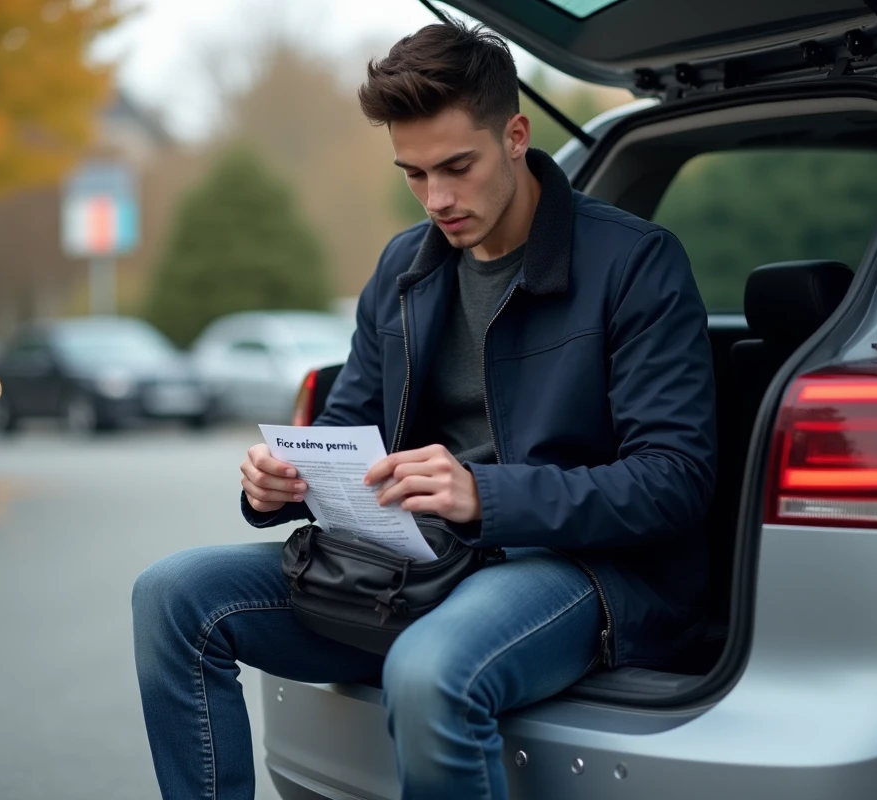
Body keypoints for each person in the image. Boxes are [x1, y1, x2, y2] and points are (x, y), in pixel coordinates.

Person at [132, 19, 716, 800]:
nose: (437, 198)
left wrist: (485, 495)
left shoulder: (636, 263)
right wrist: (283, 483)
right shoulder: (404, 266)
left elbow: (675, 481)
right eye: (413, 173)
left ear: (515, 136)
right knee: (171, 595)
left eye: (456, 167)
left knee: (428, 669)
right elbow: (346, 432)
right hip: (419, 564)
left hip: (583, 568)